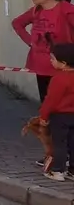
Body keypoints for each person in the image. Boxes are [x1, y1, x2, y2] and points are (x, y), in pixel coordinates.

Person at [12, 0, 74, 102]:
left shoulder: (67, 10)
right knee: (46, 102)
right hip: (41, 65)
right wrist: (30, 41)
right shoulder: (36, 11)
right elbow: (17, 23)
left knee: (62, 104)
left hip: (62, 66)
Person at [39, 43, 74, 181]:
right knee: (73, 143)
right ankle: (72, 170)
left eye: (53, 59)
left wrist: (44, 116)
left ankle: (58, 171)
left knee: (59, 143)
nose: (51, 61)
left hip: (60, 117)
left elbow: (51, 100)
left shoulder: (59, 79)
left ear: (63, 63)